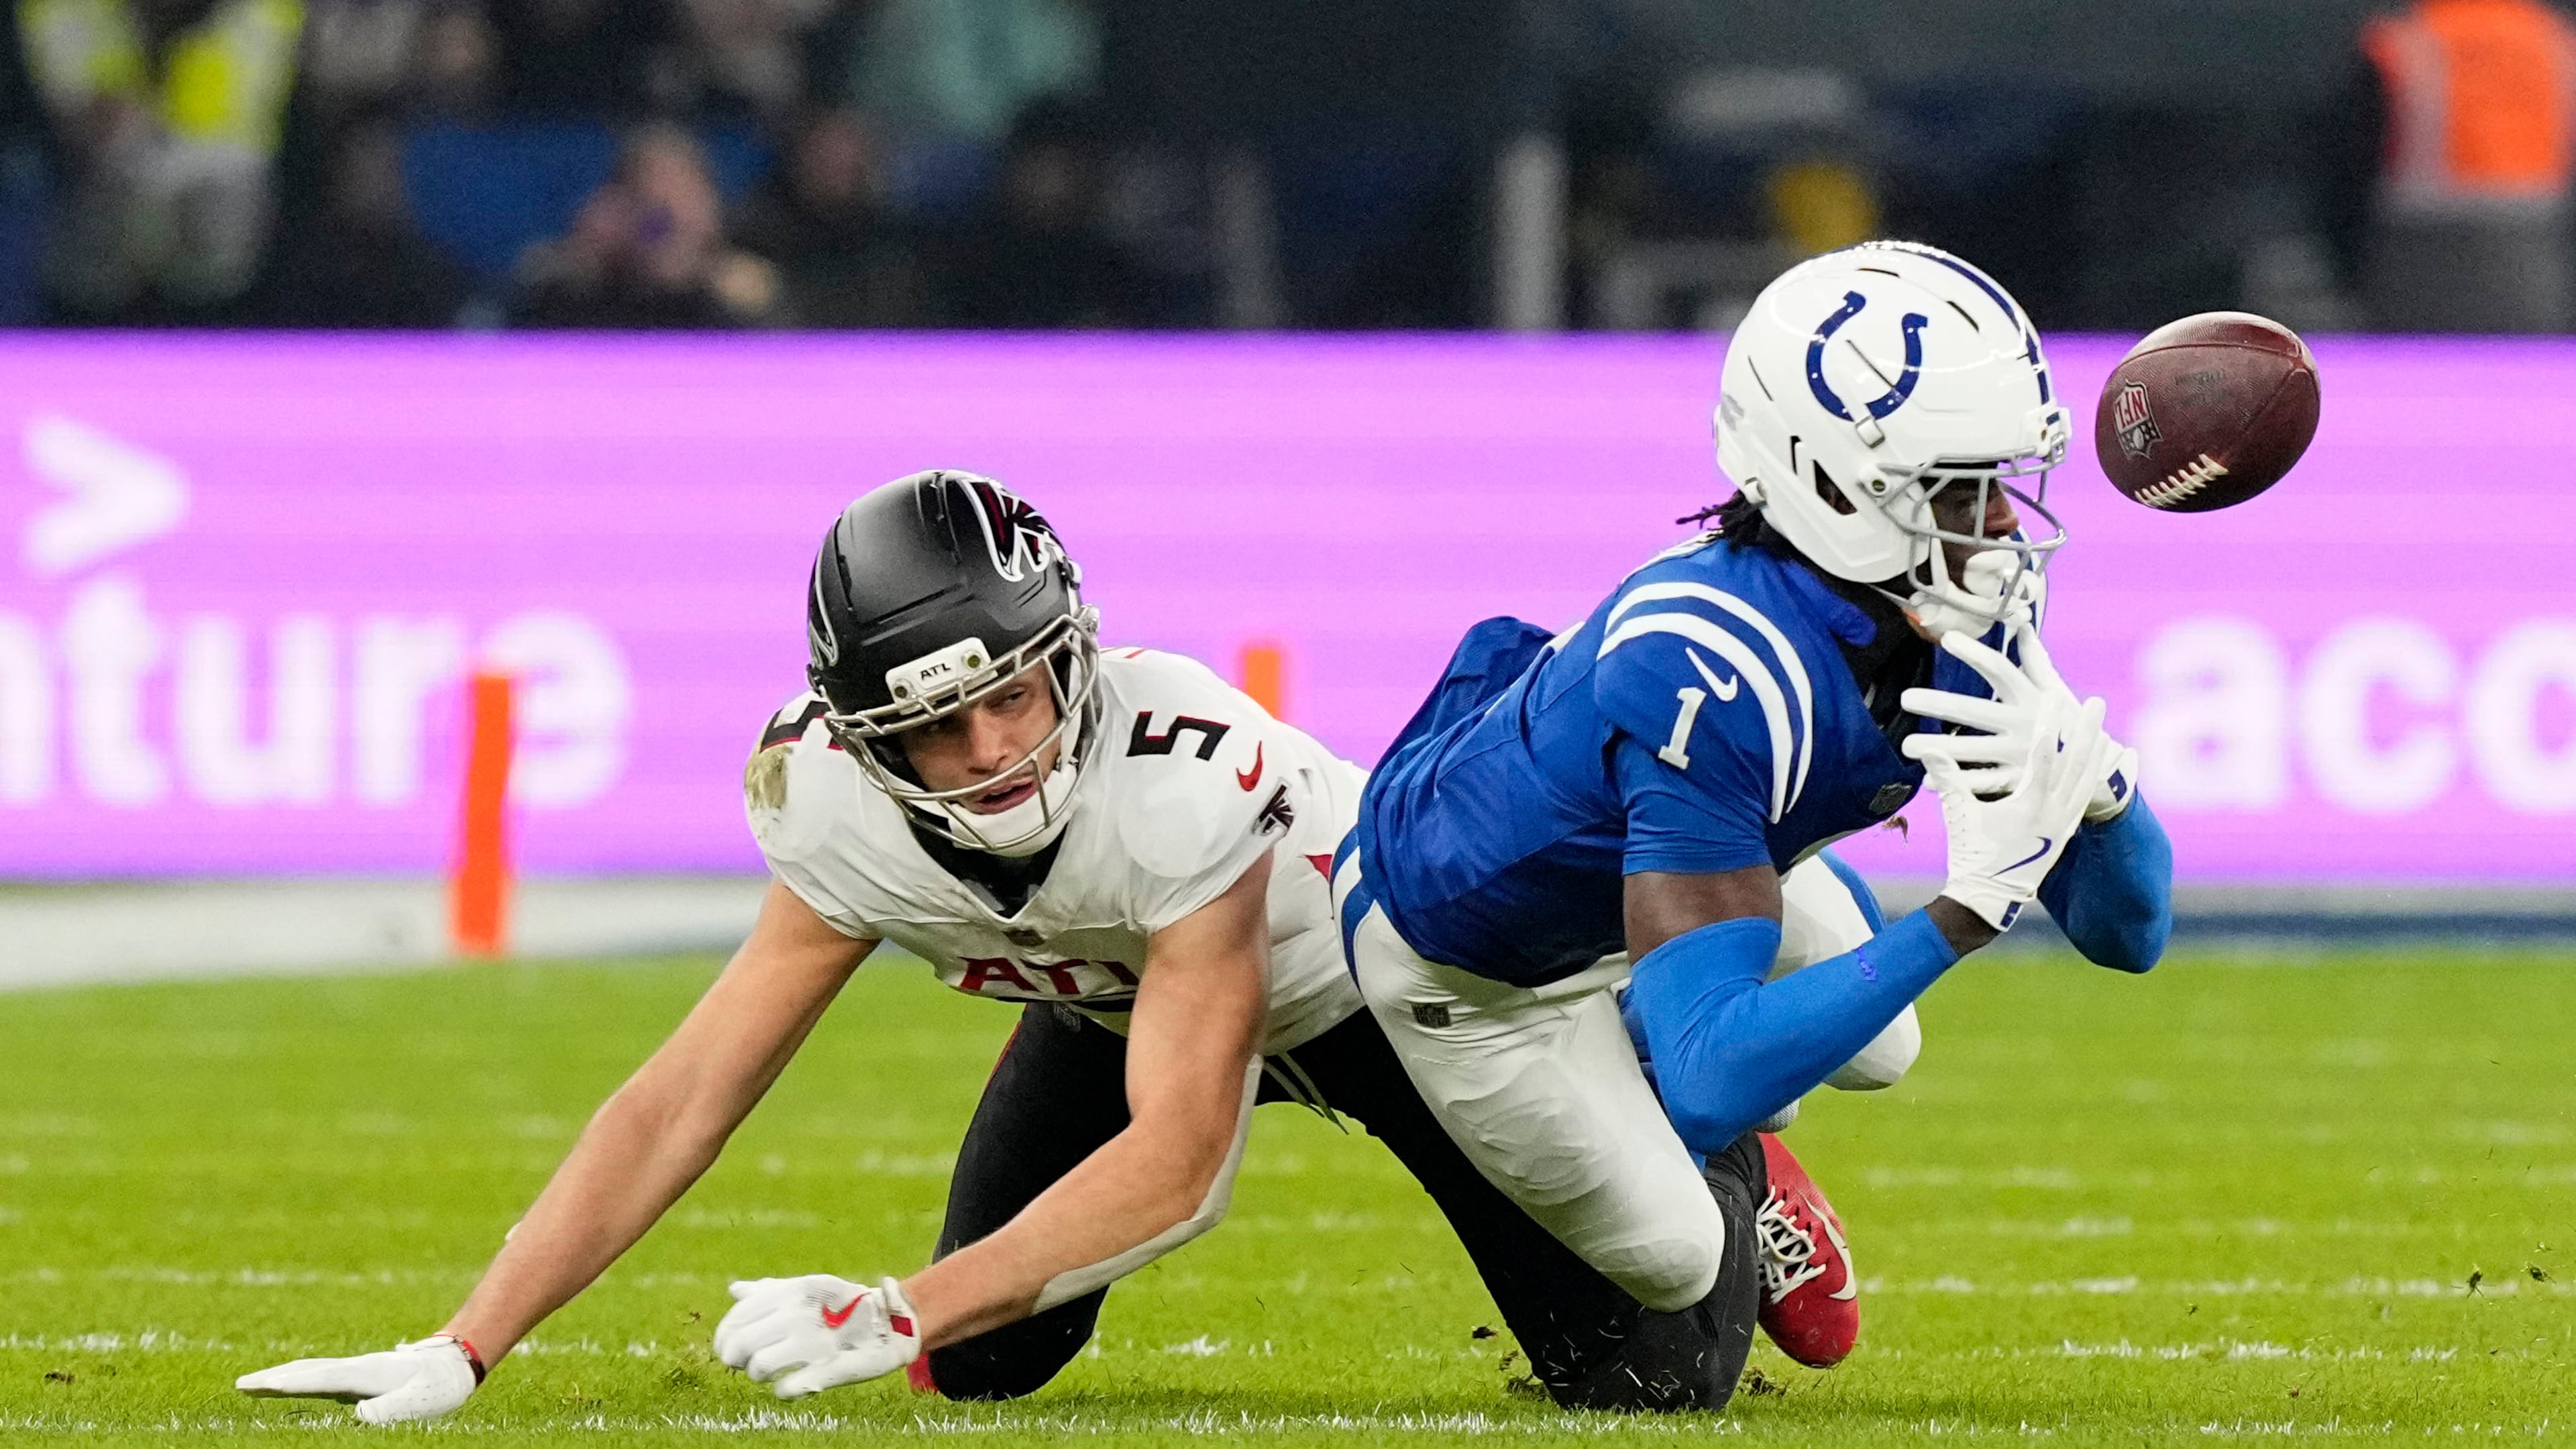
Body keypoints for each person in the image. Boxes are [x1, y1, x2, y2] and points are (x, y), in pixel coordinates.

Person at [231, 470, 1857, 1424]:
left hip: (1396, 985)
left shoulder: (1174, 780)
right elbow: (685, 1095)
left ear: (1073, 653)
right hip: (1118, 1003)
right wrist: (470, 1339)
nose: (1001, 747)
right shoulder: (833, 810)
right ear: (865, 742)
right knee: (992, 1362)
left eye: (1017, 690)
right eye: (938, 728)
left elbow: (1180, 1161)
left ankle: (1722, 1142)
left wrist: (894, 1304)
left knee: (1650, 1382)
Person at [1336, 240, 2174, 1371]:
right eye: (1957, 491)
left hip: (1669, 873)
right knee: (1674, 1338)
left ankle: (1654, 1024)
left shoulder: (1942, 595)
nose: (2001, 526)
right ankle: (1710, 1142)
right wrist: (1962, 914)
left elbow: (2133, 936)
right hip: (1477, 962)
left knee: (1884, 1047)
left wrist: (2103, 790)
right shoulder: (1712, 668)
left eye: (1999, 482)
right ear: (1832, 485)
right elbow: (1709, 1076)